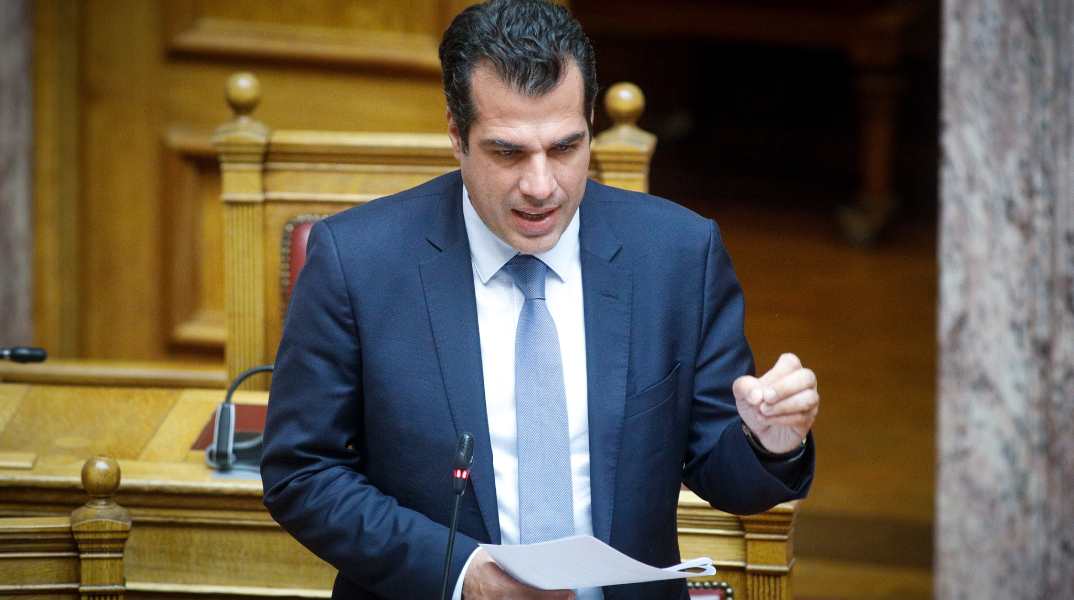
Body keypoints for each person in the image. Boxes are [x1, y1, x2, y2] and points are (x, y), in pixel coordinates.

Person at [260, 1, 818, 599]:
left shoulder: (678, 255)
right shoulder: (358, 261)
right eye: (507, 153)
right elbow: (302, 471)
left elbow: (723, 473)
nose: (541, 186)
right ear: (456, 134)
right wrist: (463, 576)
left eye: (564, 148)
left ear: (589, 124)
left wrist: (770, 444)